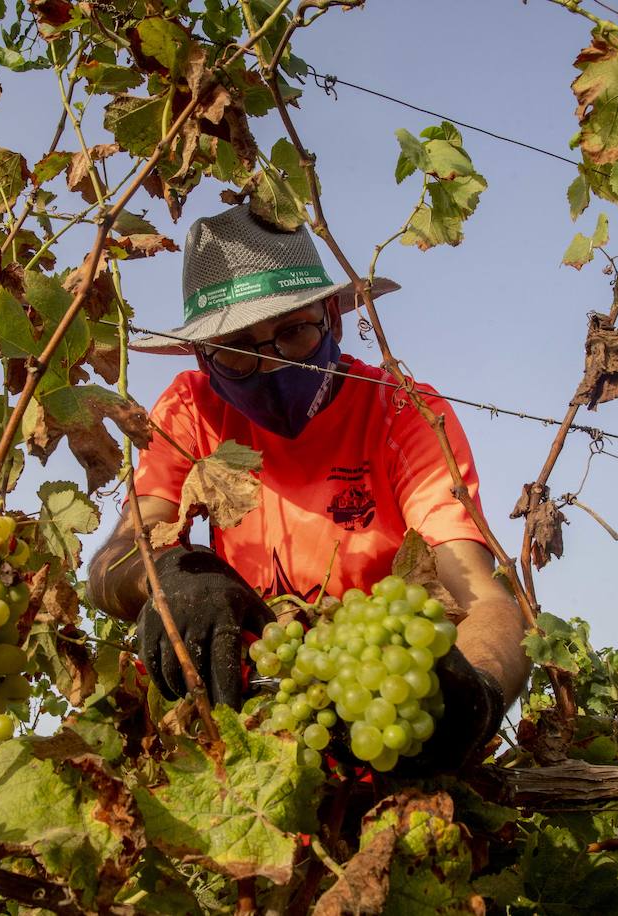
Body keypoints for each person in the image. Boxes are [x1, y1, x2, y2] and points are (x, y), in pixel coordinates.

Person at [87, 203, 528, 771]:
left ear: (333, 321)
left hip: (377, 731)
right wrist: (165, 573)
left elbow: (484, 600)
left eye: (292, 333)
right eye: (238, 350)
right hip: (248, 738)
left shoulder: (403, 413)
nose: (269, 366)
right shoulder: (192, 408)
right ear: (203, 356)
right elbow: (114, 562)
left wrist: (481, 692)